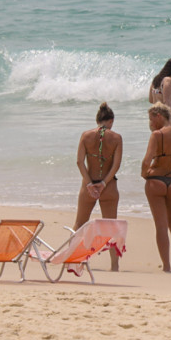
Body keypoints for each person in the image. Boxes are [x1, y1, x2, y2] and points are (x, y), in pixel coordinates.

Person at [140, 103, 171, 272]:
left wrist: (144, 174)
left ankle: (167, 265)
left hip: (156, 181)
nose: (151, 123)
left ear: (158, 116)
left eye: (151, 119)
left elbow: (147, 161)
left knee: (161, 225)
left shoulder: (157, 135)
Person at [75, 102, 123, 270]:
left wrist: (89, 184)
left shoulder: (86, 136)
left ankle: (75, 259)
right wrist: (103, 183)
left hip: (88, 184)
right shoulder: (116, 138)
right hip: (108, 186)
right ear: (111, 121)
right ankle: (114, 266)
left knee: (80, 223)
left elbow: (80, 162)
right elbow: (116, 165)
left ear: (97, 120)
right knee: (111, 227)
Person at [149, 58, 171, 126]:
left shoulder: (156, 80)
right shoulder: (168, 80)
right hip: (165, 117)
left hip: (155, 117)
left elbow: (151, 100)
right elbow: (166, 101)